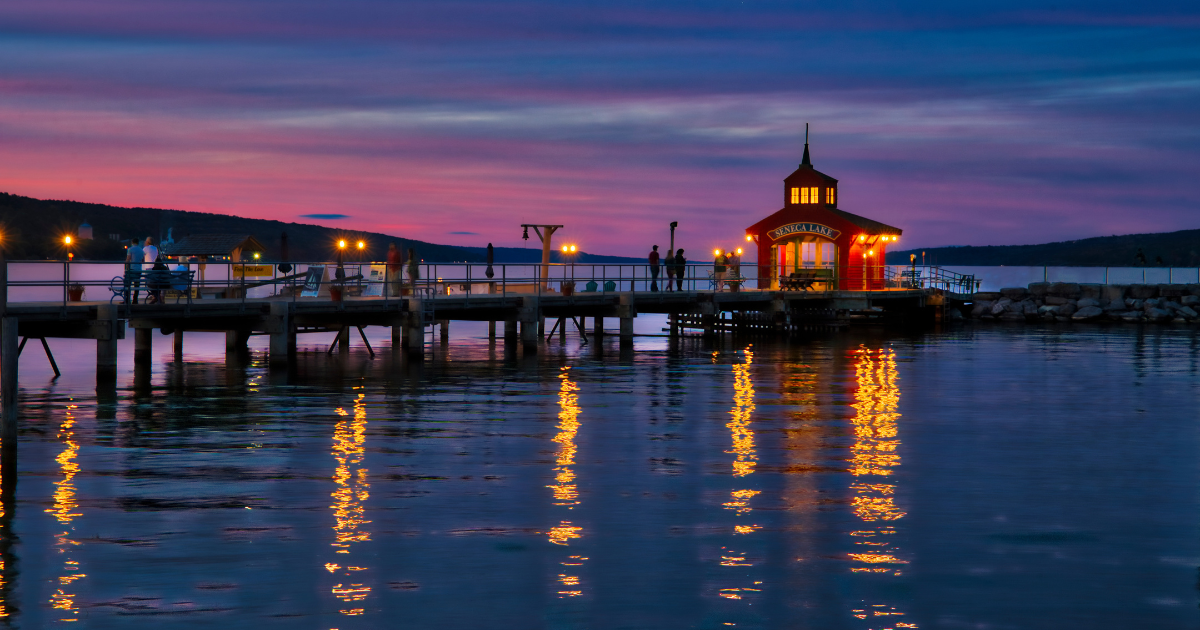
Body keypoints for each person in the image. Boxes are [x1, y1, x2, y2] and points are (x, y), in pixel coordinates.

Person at [125, 237, 144, 304]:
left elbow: (128, 259)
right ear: (138, 243)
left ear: (132, 242)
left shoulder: (130, 249)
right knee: (137, 285)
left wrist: (126, 268)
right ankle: (135, 299)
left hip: (132, 269)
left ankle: (127, 299)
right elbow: (143, 261)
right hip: (138, 269)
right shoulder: (141, 250)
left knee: (127, 284)